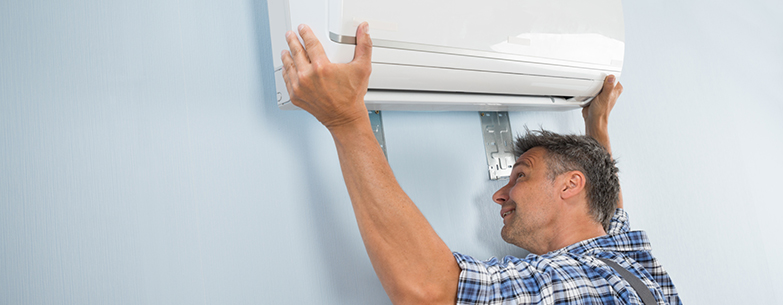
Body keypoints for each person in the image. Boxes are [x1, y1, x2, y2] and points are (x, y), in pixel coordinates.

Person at [280, 22, 682, 305]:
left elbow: (432, 292)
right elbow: (607, 206)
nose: (500, 194)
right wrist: (598, 127)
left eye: (520, 174)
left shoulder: (580, 285)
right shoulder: (624, 256)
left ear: (570, 186)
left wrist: (346, 120)